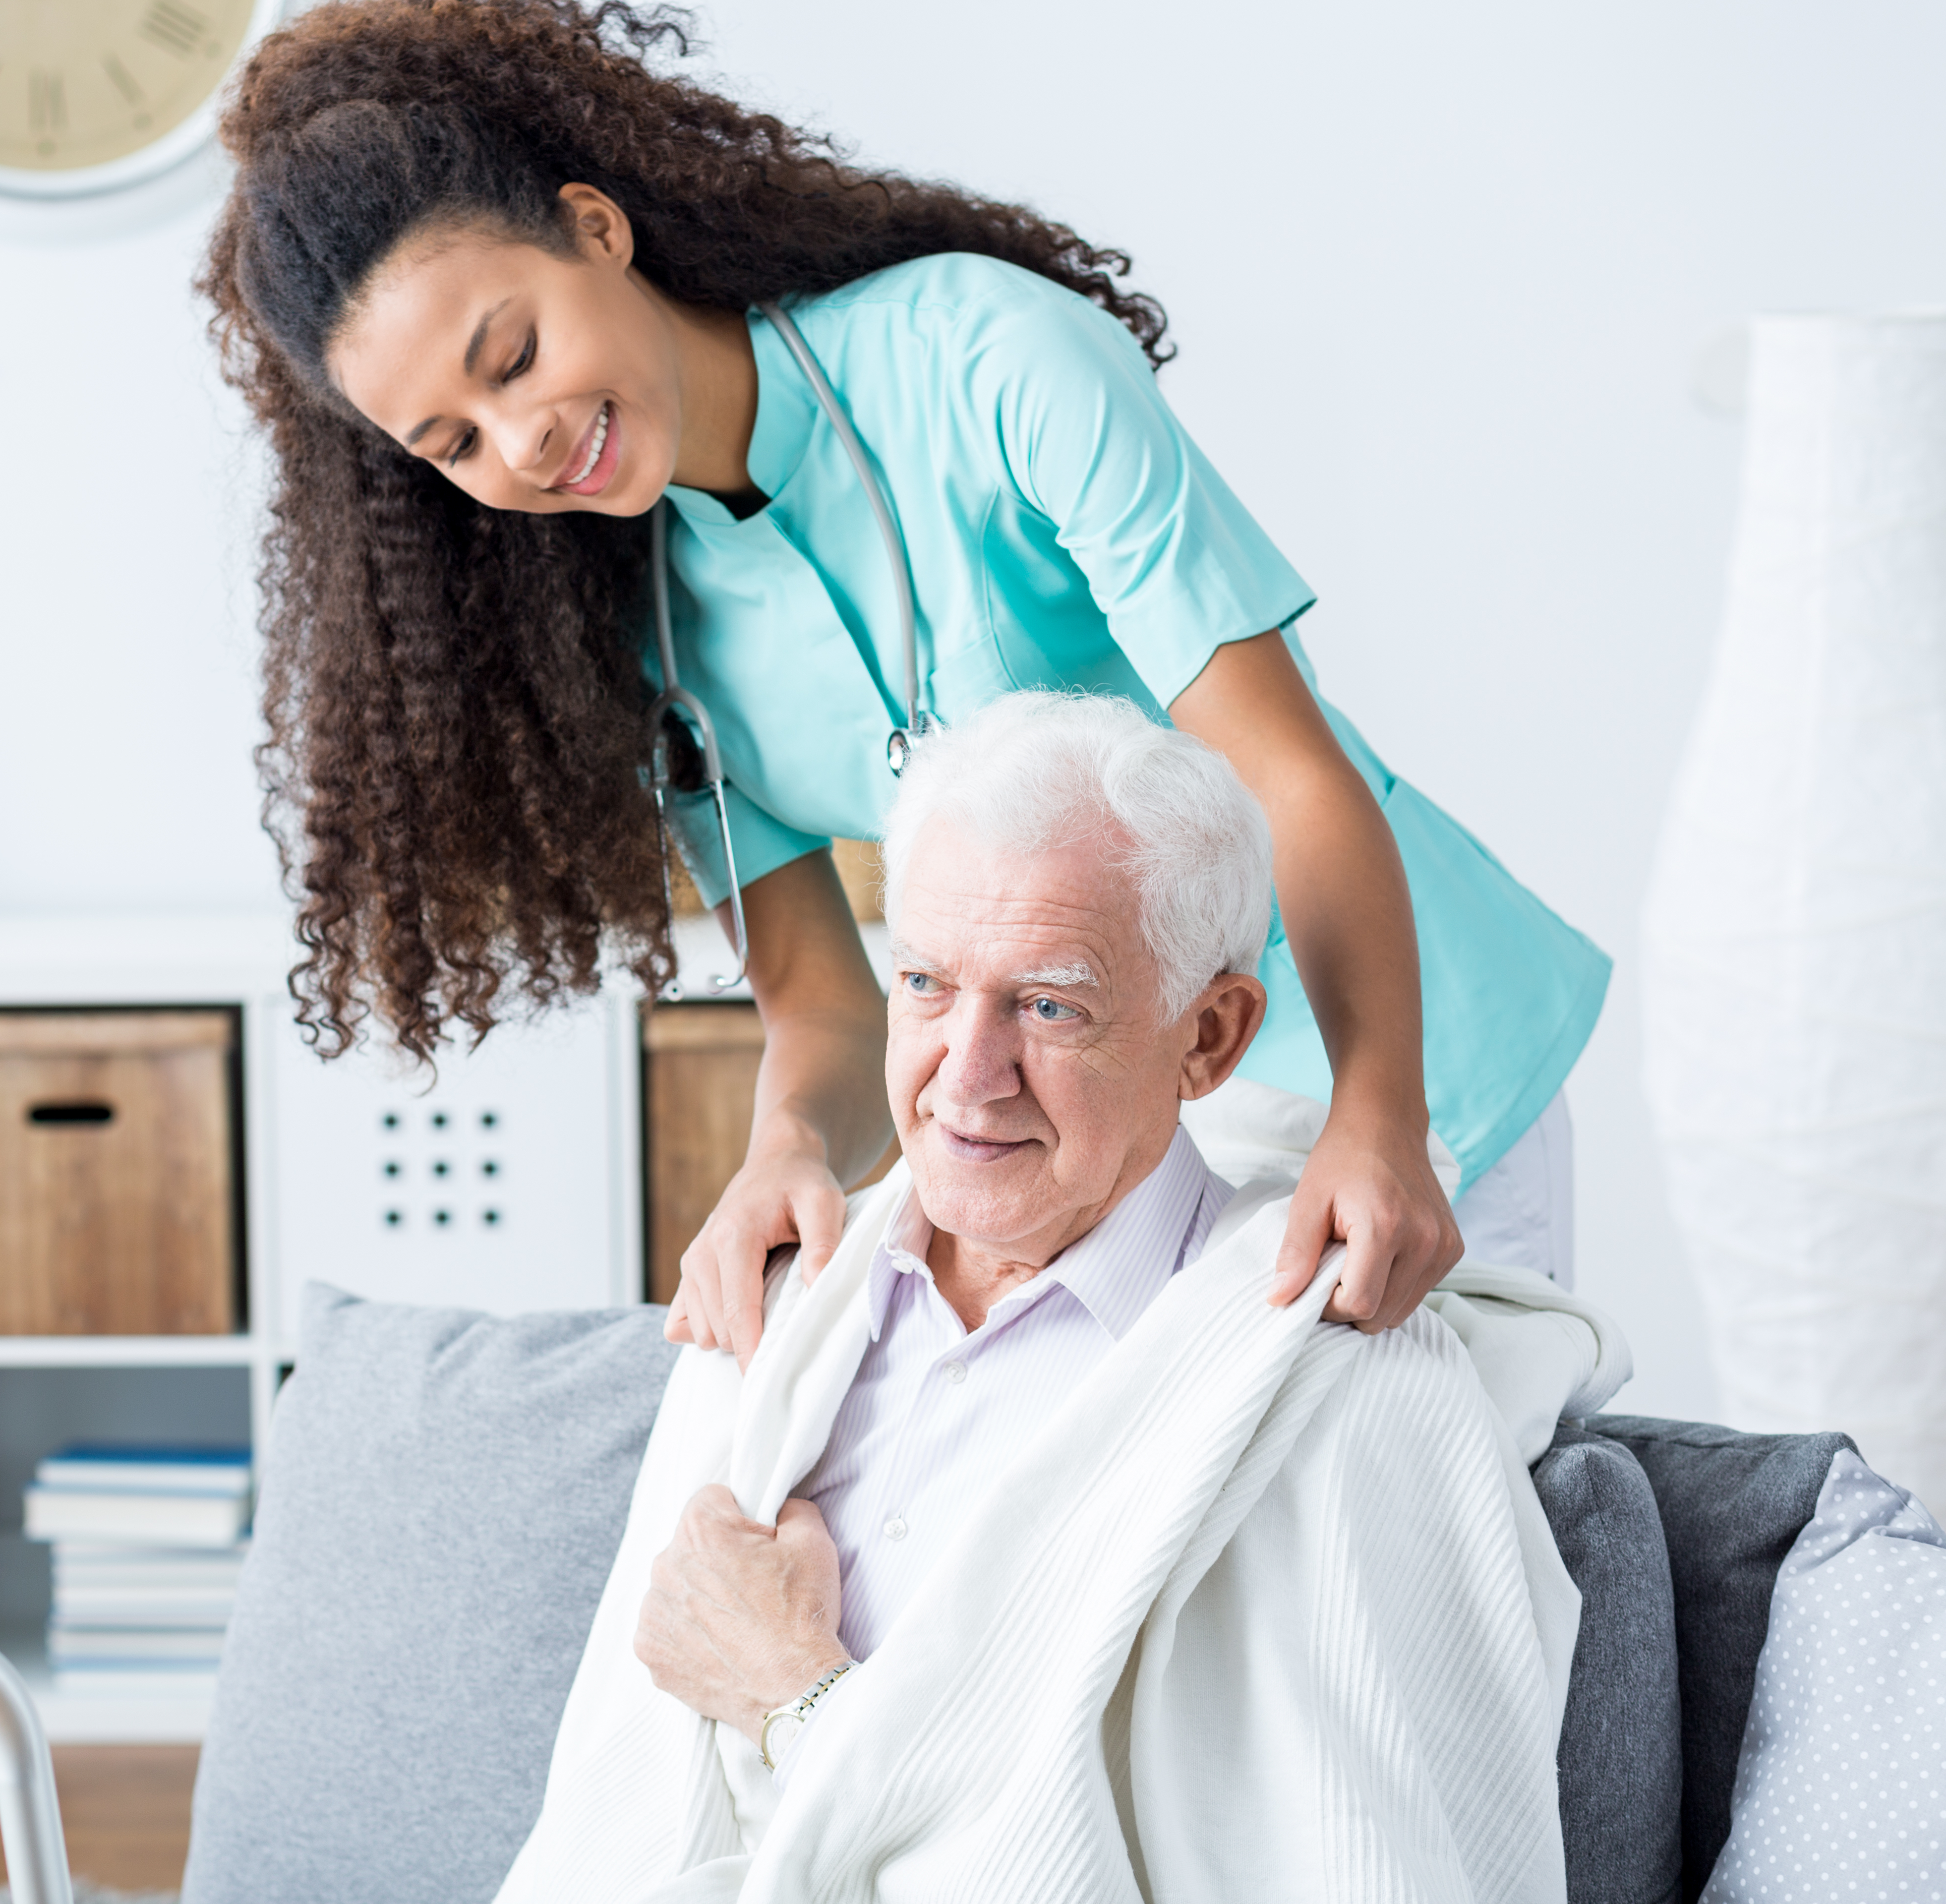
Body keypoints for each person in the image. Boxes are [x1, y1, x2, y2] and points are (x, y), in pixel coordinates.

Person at [201, 0, 1608, 1364]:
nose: (522, 440)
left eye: (512, 356)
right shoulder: (637, 638)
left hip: (1400, 1060)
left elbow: (1288, 774)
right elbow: (824, 1004)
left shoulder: (989, 357)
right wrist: (786, 1157)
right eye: (454, 443)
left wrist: (1379, 1105)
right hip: (1116, 1150)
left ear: (596, 229)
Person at [493, 691, 1618, 1901]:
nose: (965, 1078)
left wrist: (796, 1700)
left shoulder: (1348, 1398)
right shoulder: (771, 1316)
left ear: (1212, 1040)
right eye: (926, 983)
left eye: (1049, 1006)